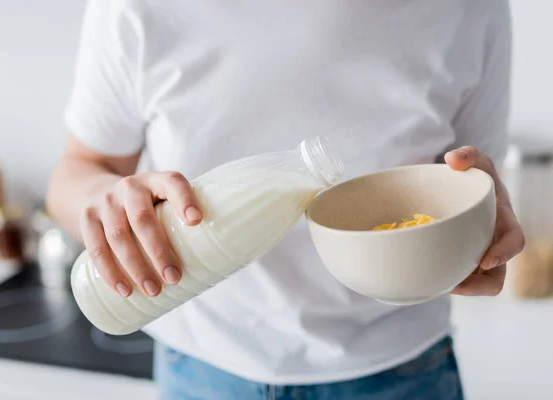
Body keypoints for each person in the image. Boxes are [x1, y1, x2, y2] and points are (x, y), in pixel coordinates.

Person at [48, 1, 524, 399]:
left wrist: (482, 229)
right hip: (204, 369)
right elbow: (78, 169)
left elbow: (475, 177)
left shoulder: (469, 7)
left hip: (401, 369)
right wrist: (104, 200)